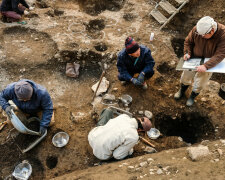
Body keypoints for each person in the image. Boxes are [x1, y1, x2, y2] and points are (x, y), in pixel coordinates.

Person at [174, 16, 225, 106]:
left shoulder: (223, 34)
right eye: (200, 34)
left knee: (201, 82)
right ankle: (182, 91)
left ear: (212, 30)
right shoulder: (196, 29)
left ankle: (192, 96)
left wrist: (206, 66)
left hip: (209, 62)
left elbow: (220, 54)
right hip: (194, 58)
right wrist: (187, 53)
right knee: (186, 76)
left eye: (204, 35)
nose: (201, 36)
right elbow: (188, 42)